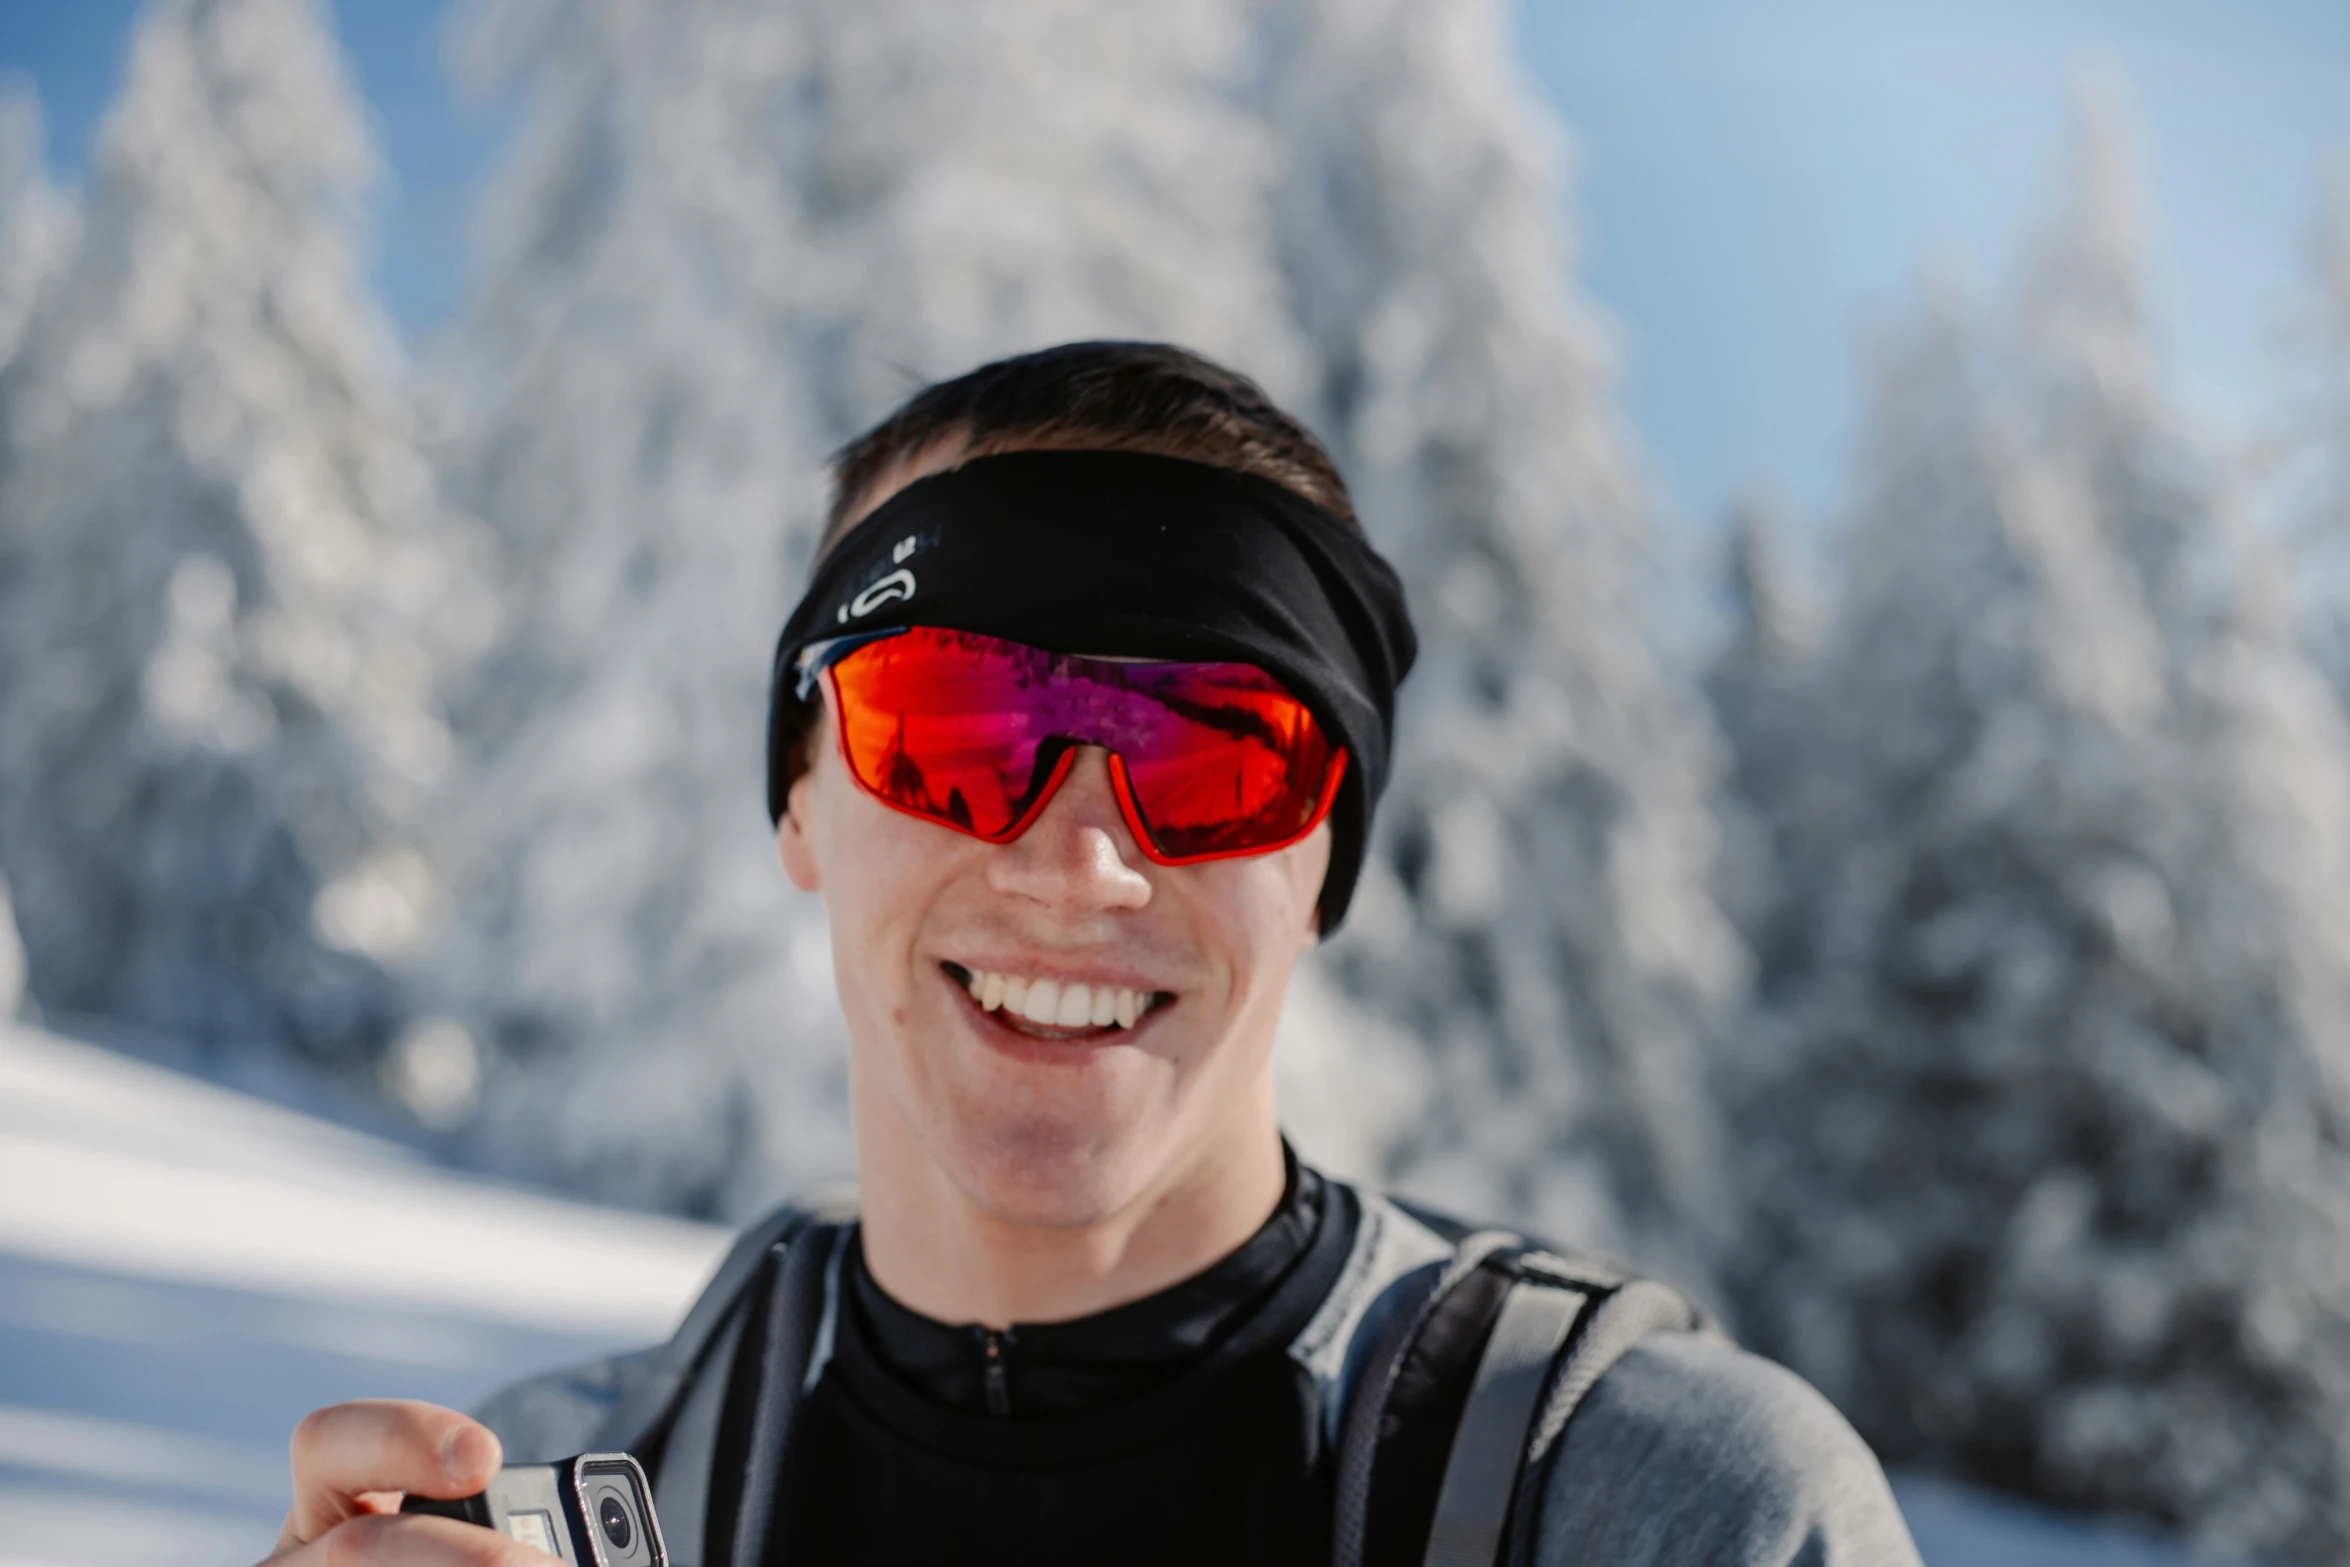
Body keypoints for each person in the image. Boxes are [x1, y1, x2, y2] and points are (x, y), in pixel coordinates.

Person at [263, 342, 1921, 1567]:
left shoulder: (1674, 1514)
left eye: (1213, 757)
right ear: (798, 801)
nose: (1076, 861)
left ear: (1321, 865)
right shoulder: (545, 1498)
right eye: (948, 725)